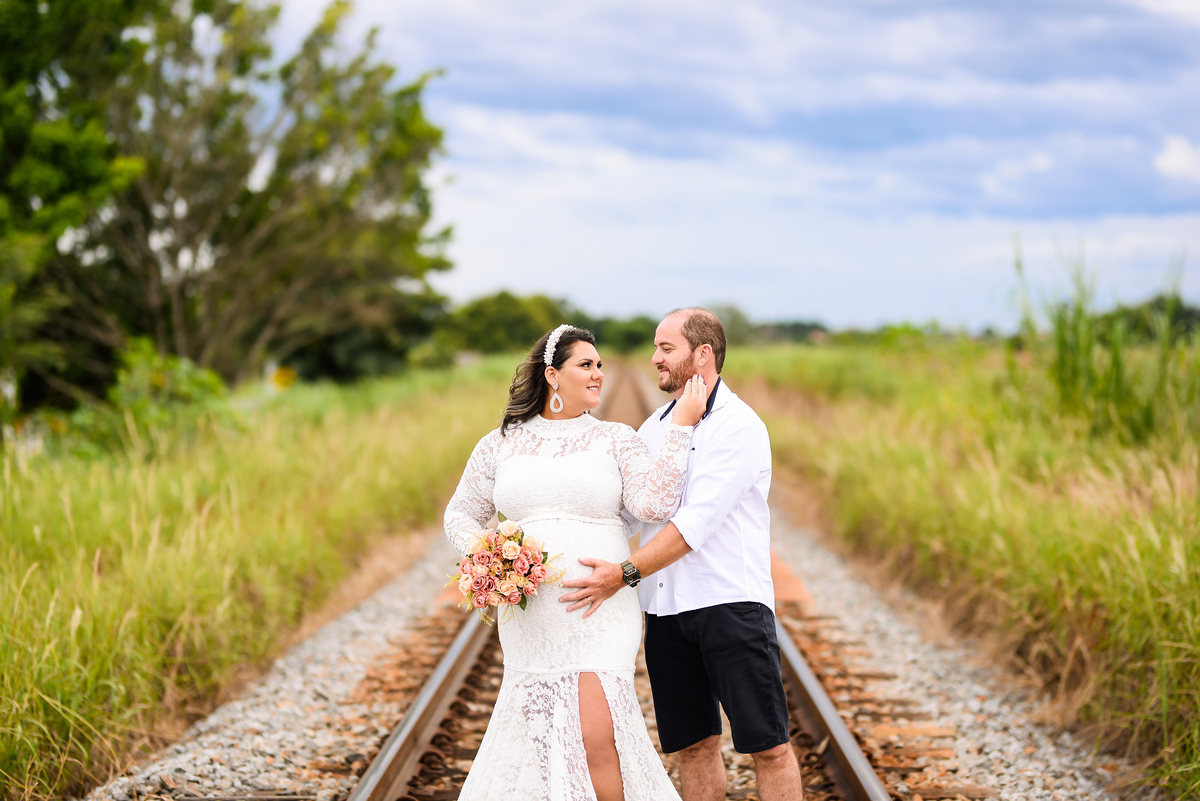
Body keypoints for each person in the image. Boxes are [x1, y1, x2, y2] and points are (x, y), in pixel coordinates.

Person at [443, 324, 707, 801]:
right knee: (543, 740)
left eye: (599, 365)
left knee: (597, 735)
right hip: (532, 613)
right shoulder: (500, 443)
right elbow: (460, 514)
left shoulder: (616, 439)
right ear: (552, 375)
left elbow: (655, 506)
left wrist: (682, 426)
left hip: (599, 609)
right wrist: (487, 558)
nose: (598, 374)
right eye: (586, 365)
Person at [560, 308, 804, 801]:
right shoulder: (656, 426)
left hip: (730, 606)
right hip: (666, 614)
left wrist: (622, 572)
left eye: (666, 348)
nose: (654, 358)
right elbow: (631, 511)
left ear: (703, 354)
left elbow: (694, 525)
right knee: (693, 747)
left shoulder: (739, 426)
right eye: (655, 347)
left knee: (768, 746)